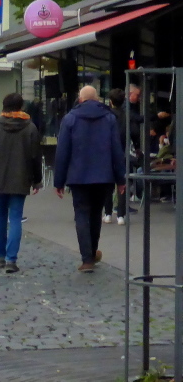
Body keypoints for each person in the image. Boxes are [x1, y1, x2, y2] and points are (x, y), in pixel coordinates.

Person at [54, 86, 125, 273]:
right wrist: (121, 178)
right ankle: (92, 253)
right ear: (97, 99)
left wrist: (58, 181)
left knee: (81, 215)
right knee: (95, 215)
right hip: (104, 176)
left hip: (78, 176)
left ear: (80, 99)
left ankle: (87, 259)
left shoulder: (70, 119)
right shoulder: (109, 118)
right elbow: (117, 150)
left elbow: (62, 152)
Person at [0, 93, 42, 273]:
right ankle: (11, 259)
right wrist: (37, 180)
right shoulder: (30, 128)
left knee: (0, 217)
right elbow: (35, 156)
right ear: (21, 107)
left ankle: (0, 254)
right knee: (15, 218)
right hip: (20, 179)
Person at [105, 89, 132, 225]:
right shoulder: (127, 115)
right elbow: (133, 132)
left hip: (108, 153)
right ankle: (121, 215)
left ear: (110, 101)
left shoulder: (106, 115)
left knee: (108, 184)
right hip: (122, 152)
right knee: (122, 184)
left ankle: (108, 214)